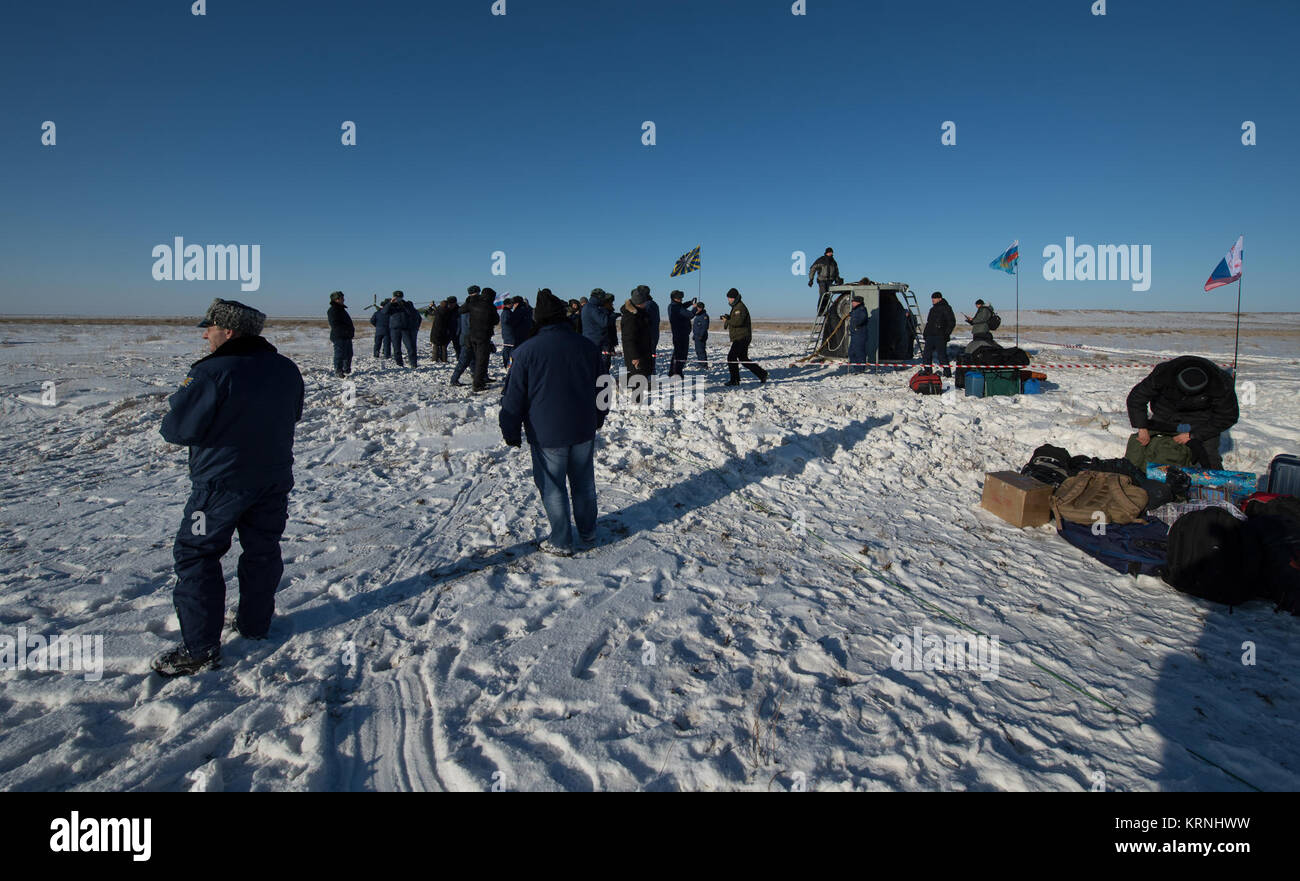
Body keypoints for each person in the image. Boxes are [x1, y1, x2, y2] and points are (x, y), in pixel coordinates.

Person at [153, 299, 305, 677]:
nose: (205, 334)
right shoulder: (286, 368)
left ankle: (200, 649)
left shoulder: (212, 372)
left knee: (196, 553)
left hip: (220, 487)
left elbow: (177, 430)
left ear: (230, 331)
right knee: (262, 548)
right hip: (272, 480)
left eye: (210, 327)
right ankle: (255, 625)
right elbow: (294, 415)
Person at [499, 290, 606, 556]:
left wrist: (510, 430)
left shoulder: (525, 351)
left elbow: (512, 398)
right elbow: (604, 388)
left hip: (547, 433)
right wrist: (599, 417)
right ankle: (588, 532)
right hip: (582, 428)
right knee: (583, 483)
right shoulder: (587, 346)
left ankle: (561, 541)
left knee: (552, 486)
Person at [1126, 355, 1239, 470]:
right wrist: (1142, 427)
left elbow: (1228, 416)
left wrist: (1194, 435)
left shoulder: (1220, 383)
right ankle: (1138, 477)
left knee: (1208, 454)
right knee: (1144, 444)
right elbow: (1136, 398)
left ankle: (1215, 483)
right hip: (1167, 412)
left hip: (1202, 417)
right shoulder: (1164, 374)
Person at [721, 288, 768, 386]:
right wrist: (728, 318)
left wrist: (727, 321)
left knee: (731, 357)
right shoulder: (736, 307)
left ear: (734, 298)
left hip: (741, 338)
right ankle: (762, 374)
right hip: (741, 337)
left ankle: (735, 380)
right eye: (728, 298)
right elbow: (735, 320)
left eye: (730, 298)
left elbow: (738, 322)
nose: (728, 300)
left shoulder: (739, 307)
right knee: (743, 359)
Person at [462, 286, 500, 392]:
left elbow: (462, 310)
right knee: (482, 361)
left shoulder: (473, 303)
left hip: (472, 336)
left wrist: (470, 300)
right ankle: (478, 384)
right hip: (483, 337)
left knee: (477, 360)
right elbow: (496, 320)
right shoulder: (490, 306)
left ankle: (480, 380)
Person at [922, 291, 956, 377]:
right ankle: (928, 372)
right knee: (926, 355)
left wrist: (946, 334)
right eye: (932, 298)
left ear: (939, 299)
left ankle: (947, 373)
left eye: (934, 298)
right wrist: (925, 333)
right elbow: (929, 323)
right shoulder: (932, 309)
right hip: (930, 335)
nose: (933, 300)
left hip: (940, 336)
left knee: (942, 356)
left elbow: (951, 322)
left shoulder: (946, 308)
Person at [387, 291, 421, 368]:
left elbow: (412, 313)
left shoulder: (407, 304)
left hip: (406, 329)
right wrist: (390, 303)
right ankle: (399, 364)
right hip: (395, 329)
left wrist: (404, 305)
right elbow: (384, 312)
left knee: (410, 347)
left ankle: (413, 363)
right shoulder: (391, 305)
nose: (398, 298)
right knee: (396, 348)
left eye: (399, 297)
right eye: (396, 297)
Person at [582, 289, 612, 374]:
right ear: (599, 297)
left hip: (589, 338)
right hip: (596, 340)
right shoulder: (593, 308)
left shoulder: (587, 306)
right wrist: (608, 313)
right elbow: (604, 322)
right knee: (600, 363)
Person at [327, 291, 354, 377]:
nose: (344, 299)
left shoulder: (342, 309)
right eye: (342, 298)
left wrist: (350, 331)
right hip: (339, 336)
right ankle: (338, 371)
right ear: (336, 299)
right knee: (339, 354)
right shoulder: (333, 310)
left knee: (349, 354)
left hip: (346, 336)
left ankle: (346, 369)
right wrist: (345, 331)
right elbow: (335, 324)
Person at [808, 247, 842, 316]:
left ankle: (825, 311)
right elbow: (812, 269)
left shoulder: (833, 262)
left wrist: (837, 279)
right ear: (826, 252)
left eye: (831, 252)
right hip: (822, 280)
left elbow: (836, 272)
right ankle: (820, 311)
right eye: (829, 252)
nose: (831, 253)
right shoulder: (821, 260)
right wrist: (811, 279)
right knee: (823, 295)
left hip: (830, 281)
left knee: (828, 296)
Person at [667, 290, 692, 377]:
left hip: (682, 334)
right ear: (675, 299)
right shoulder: (676, 308)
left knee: (681, 355)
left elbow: (682, 306)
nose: (681, 300)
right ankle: (674, 373)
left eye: (681, 298)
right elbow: (690, 314)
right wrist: (696, 308)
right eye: (679, 298)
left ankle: (677, 371)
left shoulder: (674, 306)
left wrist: (690, 302)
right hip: (680, 335)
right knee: (679, 355)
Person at [639, 286, 660, 375]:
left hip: (648, 335)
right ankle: (651, 371)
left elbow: (645, 321)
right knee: (651, 353)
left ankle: (649, 372)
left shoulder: (647, 305)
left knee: (648, 354)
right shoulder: (653, 304)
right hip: (653, 334)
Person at [847, 295, 870, 375]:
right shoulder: (855, 310)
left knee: (859, 352)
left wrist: (856, 324)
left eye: (853, 302)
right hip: (854, 335)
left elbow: (862, 318)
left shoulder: (862, 310)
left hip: (860, 334)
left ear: (858, 302)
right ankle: (856, 367)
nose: (852, 303)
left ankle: (860, 369)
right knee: (851, 352)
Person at [691, 300, 709, 368]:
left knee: (701, 350)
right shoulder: (698, 316)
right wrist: (694, 335)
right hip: (696, 336)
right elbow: (696, 327)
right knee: (698, 350)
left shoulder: (704, 316)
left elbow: (704, 327)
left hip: (701, 336)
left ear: (701, 308)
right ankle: (700, 363)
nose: (697, 309)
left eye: (698, 308)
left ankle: (704, 365)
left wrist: (701, 335)